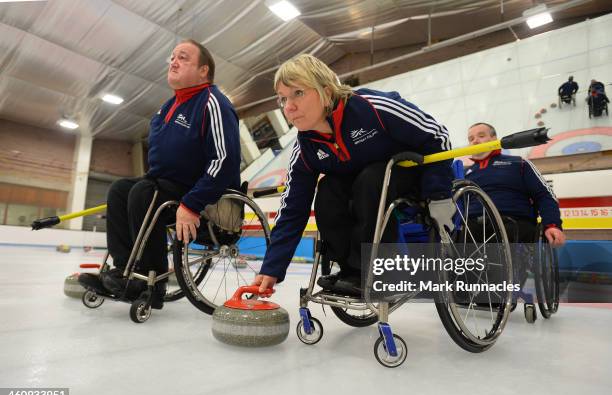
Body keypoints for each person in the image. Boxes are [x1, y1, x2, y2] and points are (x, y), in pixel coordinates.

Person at [251, 54, 455, 296]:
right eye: (282, 99)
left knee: (373, 177)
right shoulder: (305, 147)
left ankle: (382, 270)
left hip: (409, 179)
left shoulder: (373, 107)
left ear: (326, 92)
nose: (289, 107)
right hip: (363, 189)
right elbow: (292, 209)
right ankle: (351, 271)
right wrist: (271, 267)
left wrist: (439, 194)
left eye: (298, 93)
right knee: (328, 190)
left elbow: (437, 136)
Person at [79, 39, 241, 309]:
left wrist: (192, 203)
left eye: (183, 57)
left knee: (145, 193)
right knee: (120, 188)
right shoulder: (166, 108)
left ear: (203, 70)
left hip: (205, 194)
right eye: (172, 57)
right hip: (166, 185)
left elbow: (225, 161)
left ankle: (150, 282)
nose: (174, 61)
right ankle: (124, 270)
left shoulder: (214, 103)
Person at [465, 123, 565, 248]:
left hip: (512, 224)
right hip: (471, 227)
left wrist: (552, 225)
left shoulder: (519, 163)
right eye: (471, 139)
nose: (475, 141)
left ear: (494, 139)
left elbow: (544, 195)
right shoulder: (464, 174)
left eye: (481, 136)